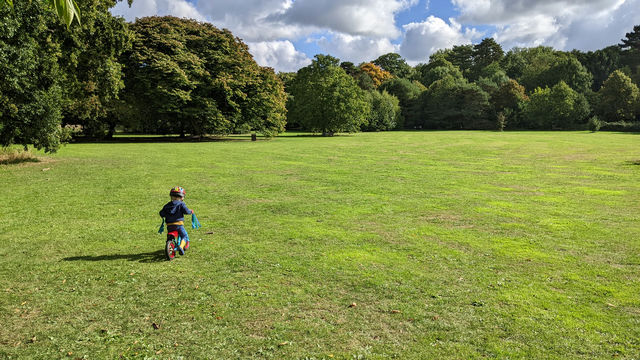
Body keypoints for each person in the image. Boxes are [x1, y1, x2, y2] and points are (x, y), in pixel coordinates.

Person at [159, 186, 194, 255]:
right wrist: (191, 211)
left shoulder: (167, 205)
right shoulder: (181, 204)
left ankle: (169, 243)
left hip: (169, 225)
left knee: (169, 236)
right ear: (181, 197)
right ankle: (181, 247)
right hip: (178, 224)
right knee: (184, 236)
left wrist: (165, 215)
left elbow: (161, 213)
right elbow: (186, 211)